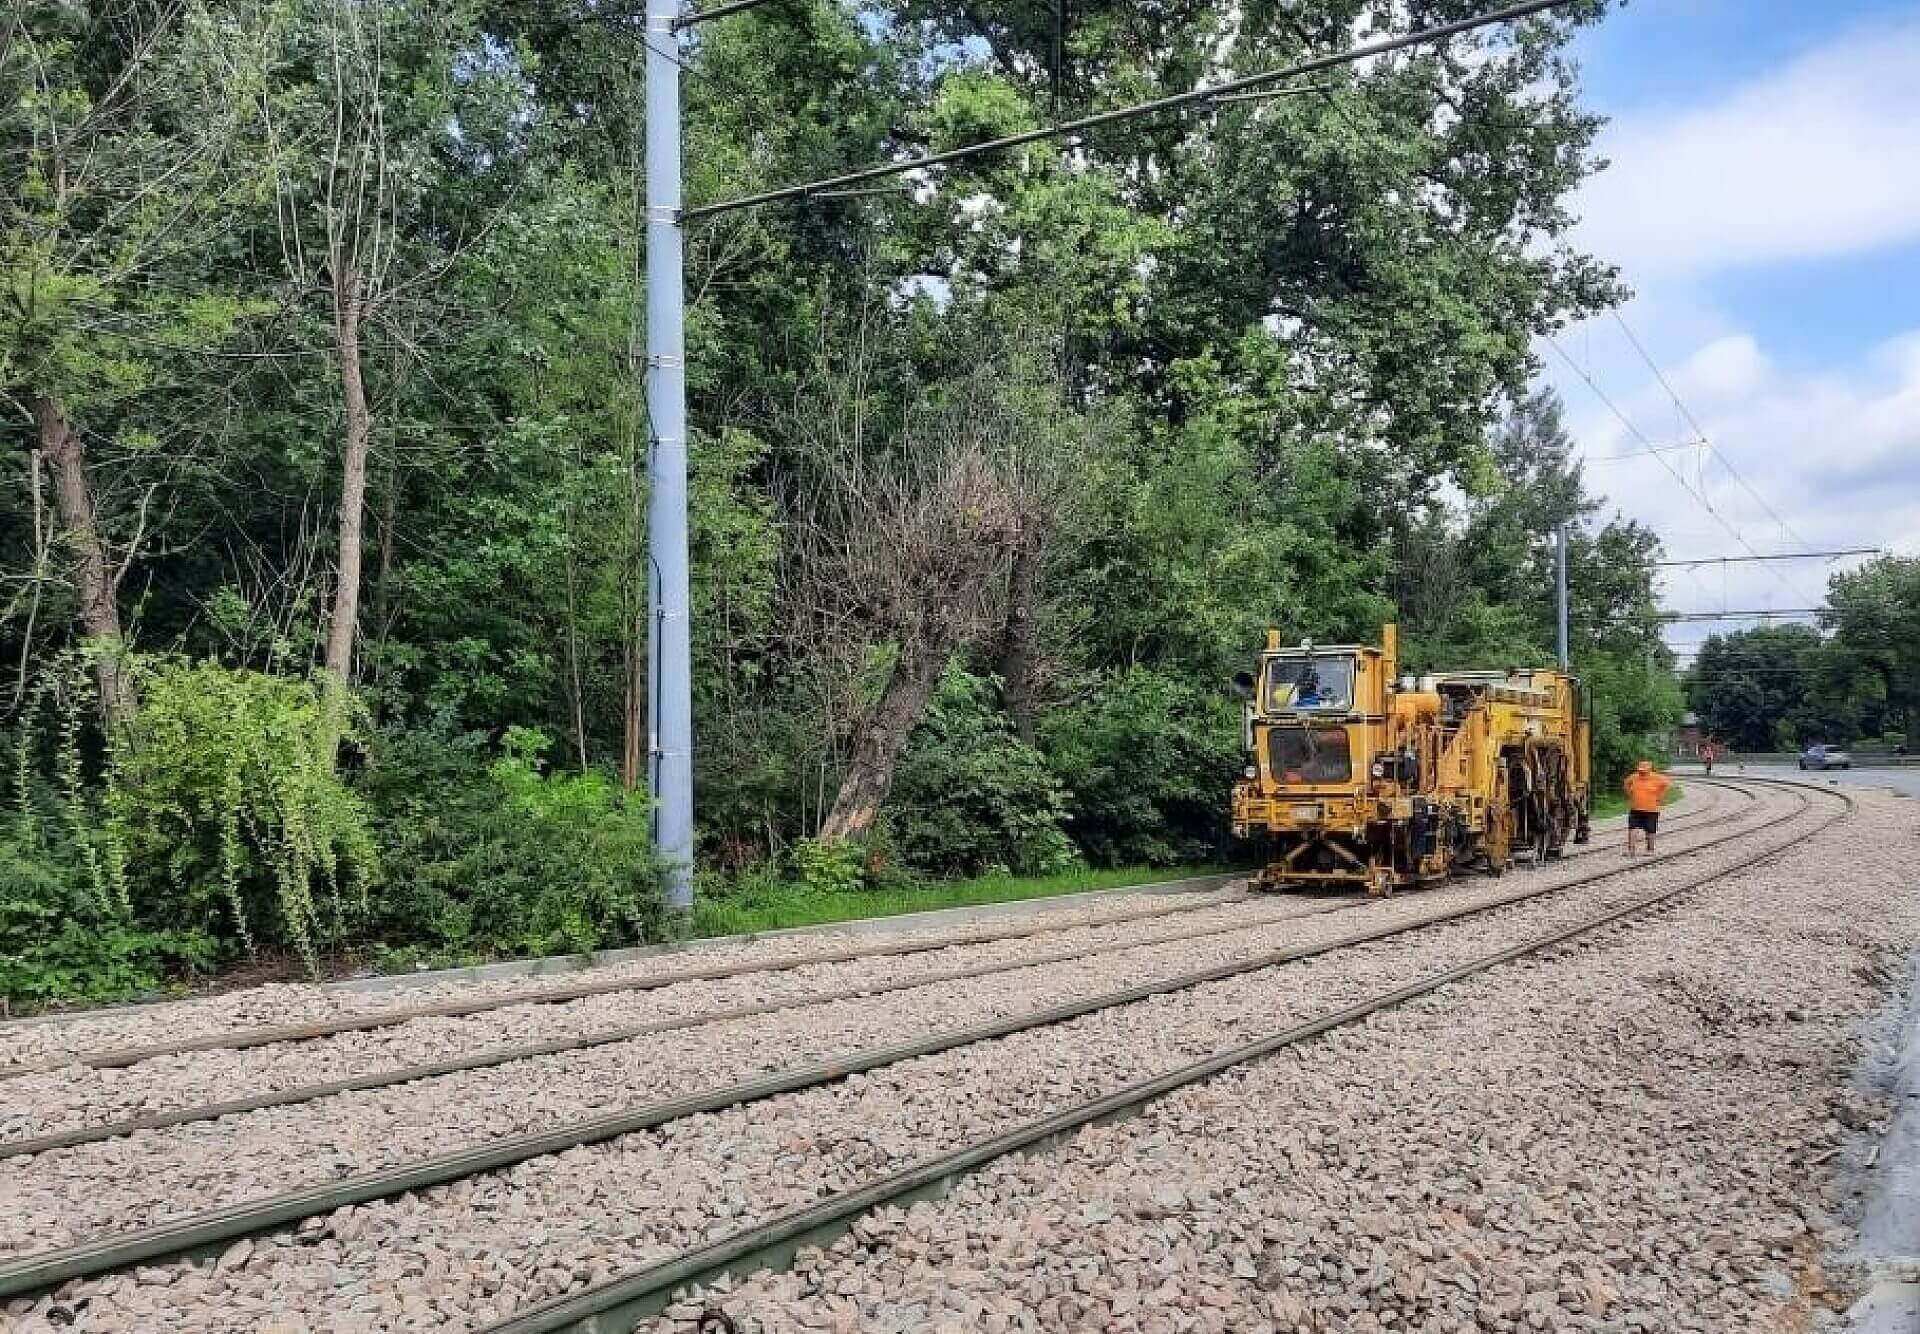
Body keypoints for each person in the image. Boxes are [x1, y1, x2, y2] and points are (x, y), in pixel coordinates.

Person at [1622, 759, 1671, 856]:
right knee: (1633, 828)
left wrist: (1660, 796)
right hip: (1636, 808)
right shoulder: (1634, 777)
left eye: (1644, 771)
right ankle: (1631, 850)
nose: (1642, 772)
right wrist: (1630, 794)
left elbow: (1667, 784)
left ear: (1649, 770)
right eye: (1640, 770)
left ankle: (1650, 850)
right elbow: (1626, 783)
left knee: (1650, 830)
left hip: (1651, 809)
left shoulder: (1657, 778)